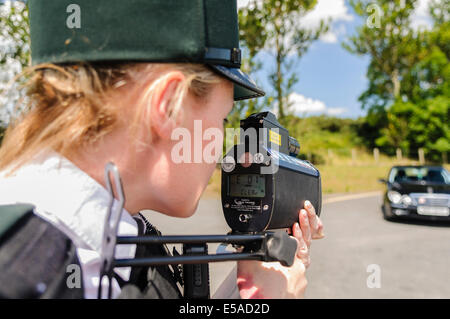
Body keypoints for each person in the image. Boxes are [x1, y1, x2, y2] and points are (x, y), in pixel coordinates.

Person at [0, 0, 324, 299]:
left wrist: (252, 292)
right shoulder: (26, 277)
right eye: (222, 118)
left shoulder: (103, 239)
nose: (219, 151)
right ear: (170, 108)